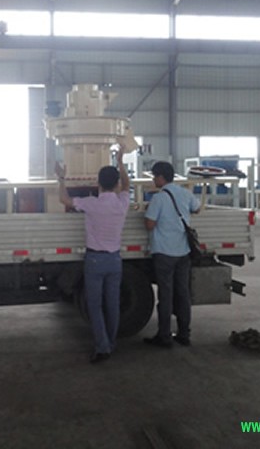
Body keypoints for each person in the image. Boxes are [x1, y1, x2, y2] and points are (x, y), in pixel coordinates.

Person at [55, 148, 130, 364]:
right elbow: (127, 185)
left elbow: (64, 199)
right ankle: (111, 343)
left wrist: (61, 178)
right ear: (116, 184)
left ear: (98, 183)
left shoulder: (91, 204)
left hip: (95, 261)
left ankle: (102, 346)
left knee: (94, 306)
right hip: (114, 260)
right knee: (113, 304)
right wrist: (120, 161)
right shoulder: (122, 203)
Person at [143, 161, 201, 348]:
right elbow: (197, 208)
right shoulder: (185, 193)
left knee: (166, 295)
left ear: (161, 177)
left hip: (164, 253)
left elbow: (149, 225)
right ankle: (184, 334)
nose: (153, 180)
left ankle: (164, 336)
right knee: (183, 294)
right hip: (183, 252)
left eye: (154, 176)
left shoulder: (159, 198)